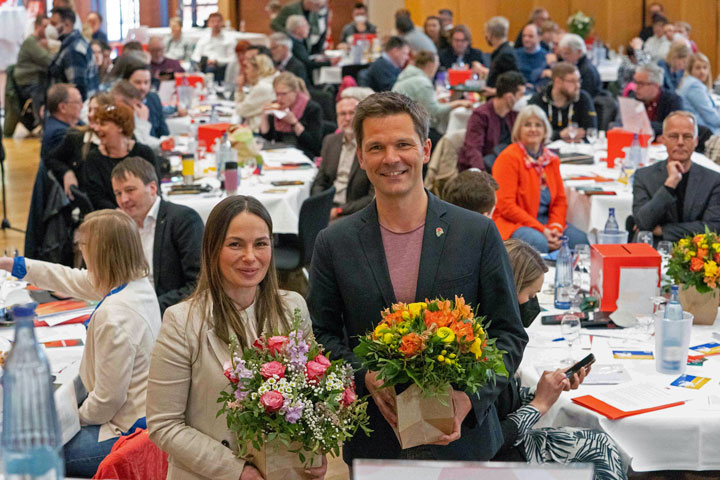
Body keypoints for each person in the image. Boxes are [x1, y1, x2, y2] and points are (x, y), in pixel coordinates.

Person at [308, 91, 528, 466]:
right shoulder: (334, 243)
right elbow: (321, 337)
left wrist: (469, 400)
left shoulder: (475, 233)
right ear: (360, 156)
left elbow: (508, 333)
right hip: (375, 442)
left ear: (425, 149)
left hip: (466, 442)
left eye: (403, 144)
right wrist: (366, 377)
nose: (391, 158)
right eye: (376, 147)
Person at [146, 195, 328, 480]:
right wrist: (236, 471)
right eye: (235, 244)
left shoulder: (294, 307)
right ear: (212, 250)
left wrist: (316, 448)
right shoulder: (181, 321)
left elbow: (313, 395)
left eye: (260, 243)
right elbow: (163, 425)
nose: (250, 257)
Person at [0, 209, 161, 477]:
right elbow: (72, 278)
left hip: (124, 432)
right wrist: (16, 265)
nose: (81, 254)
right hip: (137, 417)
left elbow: (106, 403)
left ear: (101, 253)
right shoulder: (137, 282)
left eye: (83, 247)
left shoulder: (116, 315)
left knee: (27, 448)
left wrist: (67, 417)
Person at [494, 239, 626, 480]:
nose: (533, 305)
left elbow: (502, 401)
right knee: (600, 449)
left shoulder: (497, 333)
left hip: (510, 444)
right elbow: (491, 440)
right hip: (500, 458)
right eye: (530, 295)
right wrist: (539, 404)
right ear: (509, 290)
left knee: (602, 442)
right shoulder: (487, 348)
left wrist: (546, 389)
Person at [111, 157, 203, 314]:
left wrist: (148, 310)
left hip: (171, 317)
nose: (123, 200)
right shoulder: (123, 227)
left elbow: (198, 285)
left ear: (153, 188)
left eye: (130, 190)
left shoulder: (183, 220)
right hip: (131, 312)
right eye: (118, 193)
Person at [492, 105, 588, 252]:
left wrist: (555, 227)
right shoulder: (508, 158)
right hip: (514, 223)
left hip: (546, 222)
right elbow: (506, 206)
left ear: (545, 131)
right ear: (518, 130)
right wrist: (542, 230)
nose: (533, 129)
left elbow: (559, 201)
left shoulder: (551, 160)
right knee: (539, 244)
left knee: (581, 241)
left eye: (538, 125)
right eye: (527, 125)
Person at [632, 111, 720, 242]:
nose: (680, 142)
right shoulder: (644, 176)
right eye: (673, 136)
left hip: (698, 255)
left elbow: (713, 227)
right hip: (653, 251)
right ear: (663, 140)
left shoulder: (713, 180)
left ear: (696, 141)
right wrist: (669, 185)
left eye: (687, 137)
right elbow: (643, 223)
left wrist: (663, 230)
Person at [84, 101, 160, 210]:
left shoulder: (144, 152)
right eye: (97, 124)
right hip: (112, 219)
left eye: (103, 124)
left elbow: (156, 188)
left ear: (120, 126)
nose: (96, 129)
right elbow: (96, 198)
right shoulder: (94, 158)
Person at [311, 95, 373, 220]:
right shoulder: (330, 141)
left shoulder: (371, 146)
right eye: (342, 114)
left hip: (355, 212)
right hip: (328, 207)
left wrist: (340, 210)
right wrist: (321, 206)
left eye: (352, 113)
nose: (347, 118)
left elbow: (372, 196)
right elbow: (320, 182)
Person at [392, 51, 472, 140]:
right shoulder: (422, 82)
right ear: (430, 64)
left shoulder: (408, 76)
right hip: (410, 128)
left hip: (398, 123)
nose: (438, 66)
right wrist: (458, 103)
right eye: (437, 63)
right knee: (448, 140)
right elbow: (434, 112)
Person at [458, 71, 526, 172]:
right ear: (509, 97)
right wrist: (483, 175)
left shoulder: (513, 114)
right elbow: (473, 149)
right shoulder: (481, 115)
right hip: (485, 169)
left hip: (506, 166)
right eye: (521, 95)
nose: (522, 99)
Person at [259, 72, 324, 159]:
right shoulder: (277, 107)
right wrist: (264, 116)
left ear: (295, 92)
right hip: (279, 153)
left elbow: (314, 145)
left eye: (283, 94)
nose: (279, 98)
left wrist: (294, 123)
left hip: (303, 154)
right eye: (277, 94)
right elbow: (267, 138)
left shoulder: (311, 108)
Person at [528, 62, 598, 142]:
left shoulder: (583, 98)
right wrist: (560, 135)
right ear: (558, 81)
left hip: (578, 150)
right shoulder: (538, 100)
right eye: (572, 81)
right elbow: (534, 134)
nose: (578, 86)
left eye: (578, 81)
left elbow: (590, 131)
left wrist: (553, 136)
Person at [48, 7, 99, 101]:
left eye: (54, 24)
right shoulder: (76, 42)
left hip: (73, 110)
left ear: (67, 25)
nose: (49, 27)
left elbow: (77, 90)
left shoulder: (74, 51)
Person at [14, 15, 53, 123]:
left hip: (35, 79)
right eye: (45, 26)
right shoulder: (31, 42)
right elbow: (48, 61)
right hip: (28, 82)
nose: (47, 30)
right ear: (37, 26)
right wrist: (50, 49)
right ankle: (43, 123)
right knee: (43, 90)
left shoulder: (40, 42)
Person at [628, 63, 684, 138]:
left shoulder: (673, 101)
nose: (636, 87)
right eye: (635, 82)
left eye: (641, 84)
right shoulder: (633, 97)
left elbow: (674, 128)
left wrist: (643, 125)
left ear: (656, 85)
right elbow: (624, 123)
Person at [286, 14, 337, 85]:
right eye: (305, 26)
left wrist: (315, 60)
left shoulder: (298, 41)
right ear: (297, 29)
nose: (309, 28)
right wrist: (329, 63)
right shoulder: (294, 44)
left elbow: (304, 60)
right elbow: (307, 64)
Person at [677, 53, 720, 134]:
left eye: (705, 67)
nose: (702, 72)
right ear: (690, 70)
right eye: (698, 68)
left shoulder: (687, 81)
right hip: (700, 131)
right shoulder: (694, 86)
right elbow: (711, 118)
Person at [235, 54, 279, 131]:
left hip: (256, 130)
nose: (245, 71)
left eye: (248, 68)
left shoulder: (262, 87)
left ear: (257, 69)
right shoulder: (269, 81)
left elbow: (241, 111)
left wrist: (239, 88)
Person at [124, 65, 169, 138]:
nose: (142, 87)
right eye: (137, 82)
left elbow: (164, 132)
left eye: (146, 82)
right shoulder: (121, 104)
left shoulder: (154, 98)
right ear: (126, 83)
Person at [41, 83, 83, 161]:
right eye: (78, 102)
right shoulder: (59, 133)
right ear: (63, 107)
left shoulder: (70, 122)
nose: (82, 105)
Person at [191, 12, 234, 81]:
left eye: (218, 21)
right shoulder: (203, 38)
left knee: (211, 68)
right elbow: (195, 55)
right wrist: (205, 61)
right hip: (204, 64)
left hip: (221, 66)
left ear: (222, 23)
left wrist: (217, 61)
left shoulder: (228, 39)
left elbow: (232, 59)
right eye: (213, 22)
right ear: (208, 24)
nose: (215, 24)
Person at [557, 33, 601, 98]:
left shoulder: (587, 70)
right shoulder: (575, 65)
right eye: (563, 54)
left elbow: (585, 97)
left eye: (567, 54)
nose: (564, 57)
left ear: (579, 52)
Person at [484, 16, 519, 91]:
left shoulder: (506, 55)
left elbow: (511, 84)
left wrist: (493, 91)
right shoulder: (502, 52)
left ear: (490, 34)